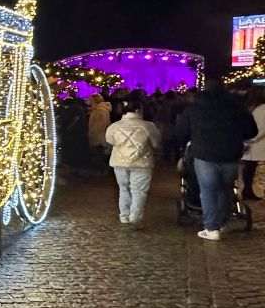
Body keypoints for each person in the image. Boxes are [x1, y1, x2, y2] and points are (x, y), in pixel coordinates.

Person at [173, 86, 258, 240]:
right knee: (226, 189)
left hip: (204, 154)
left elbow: (181, 132)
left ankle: (212, 227)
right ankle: (223, 221)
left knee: (208, 190)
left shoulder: (194, 109)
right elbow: (251, 131)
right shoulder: (237, 109)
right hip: (230, 154)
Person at [104, 95, 160, 228]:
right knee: (139, 190)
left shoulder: (114, 126)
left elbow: (110, 141)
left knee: (123, 188)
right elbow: (156, 143)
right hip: (142, 162)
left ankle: (124, 215)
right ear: (139, 109)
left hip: (119, 161)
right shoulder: (148, 126)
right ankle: (135, 216)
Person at [241, 87, 265, 201]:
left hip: (250, 144)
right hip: (256, 145)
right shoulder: (262, 109)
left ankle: (247, 190)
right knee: (251, 170)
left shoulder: (250, 108)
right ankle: (248, 191)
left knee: (249, 170)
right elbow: (261, 129)